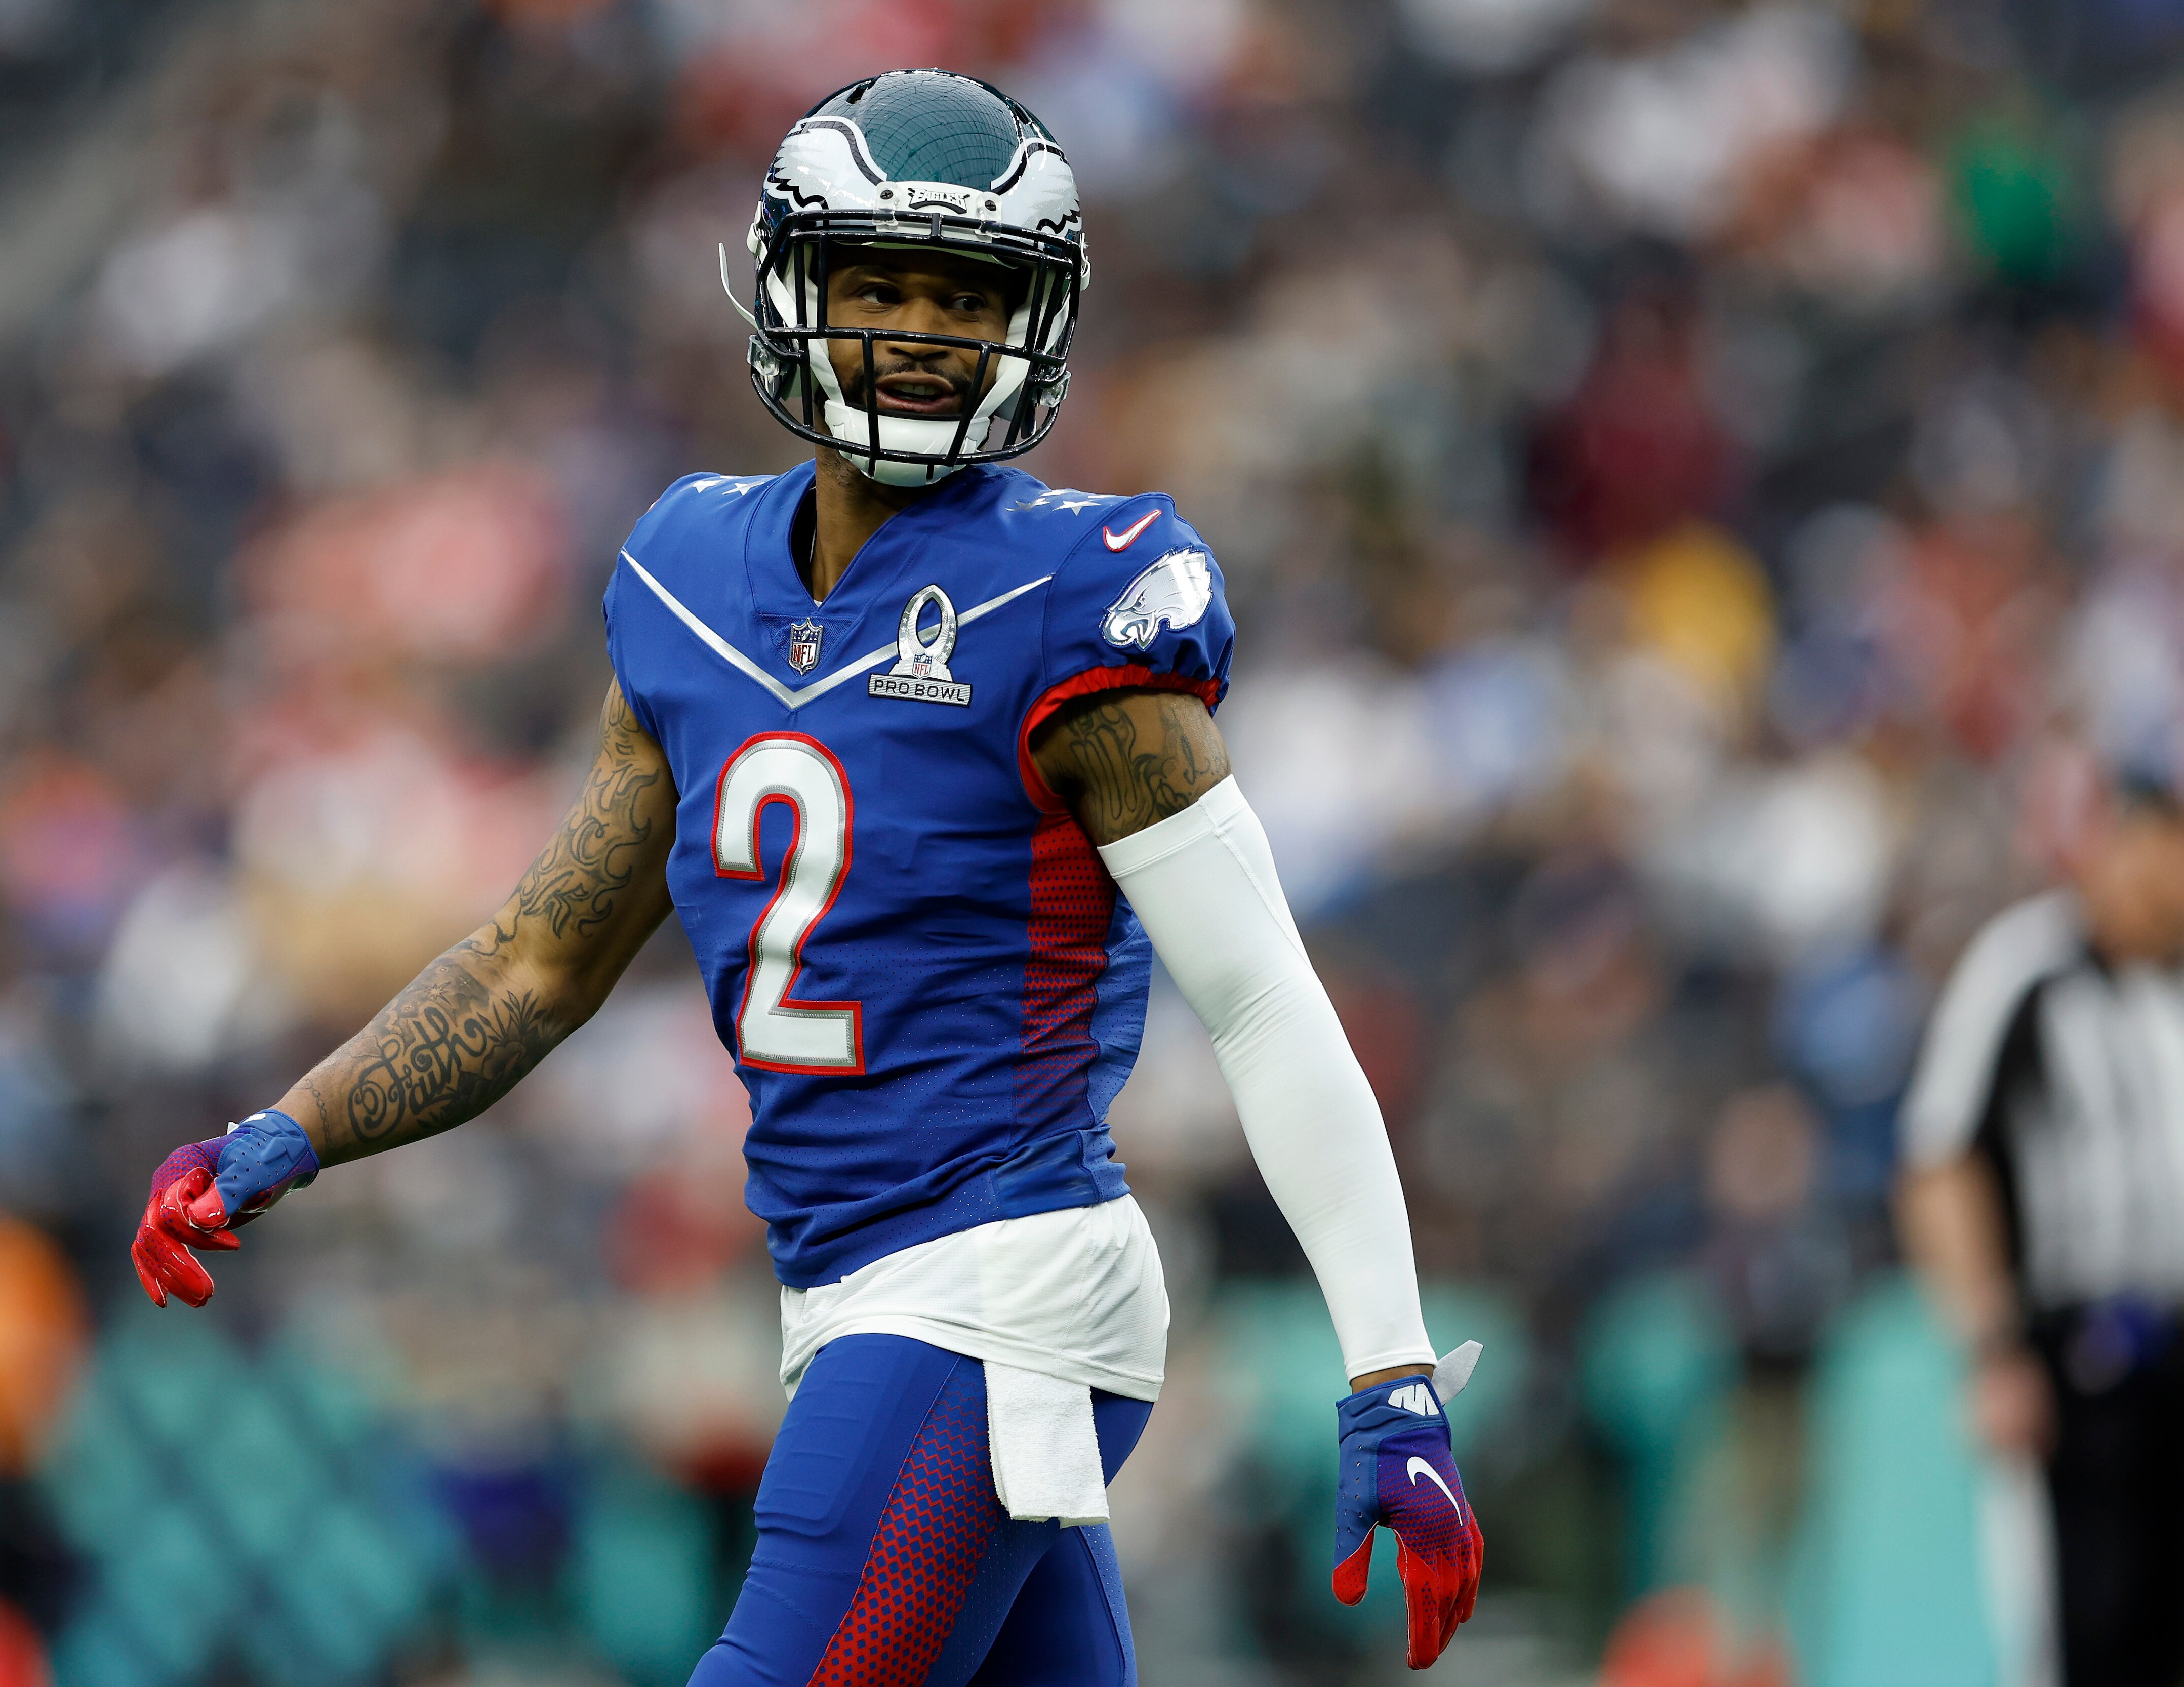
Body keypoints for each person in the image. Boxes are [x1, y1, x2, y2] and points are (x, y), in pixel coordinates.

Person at [130, 69, 1483, 1683]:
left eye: (965, 293)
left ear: (1031, 325)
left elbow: (1260, 994)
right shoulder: (688, 573)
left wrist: (1389, 1366)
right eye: (881, 282)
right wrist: (291, 1129)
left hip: (999, 1274)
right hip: (849, 1288)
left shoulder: (1073, 596)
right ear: (792, 292)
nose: (920, 326)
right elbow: (536, 963)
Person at [1897, 773, 2184, 1687]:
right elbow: (1941, 1162)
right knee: (2081, 1622)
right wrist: (1992, 1344)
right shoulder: (2029, 967)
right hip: (2077, 1351)